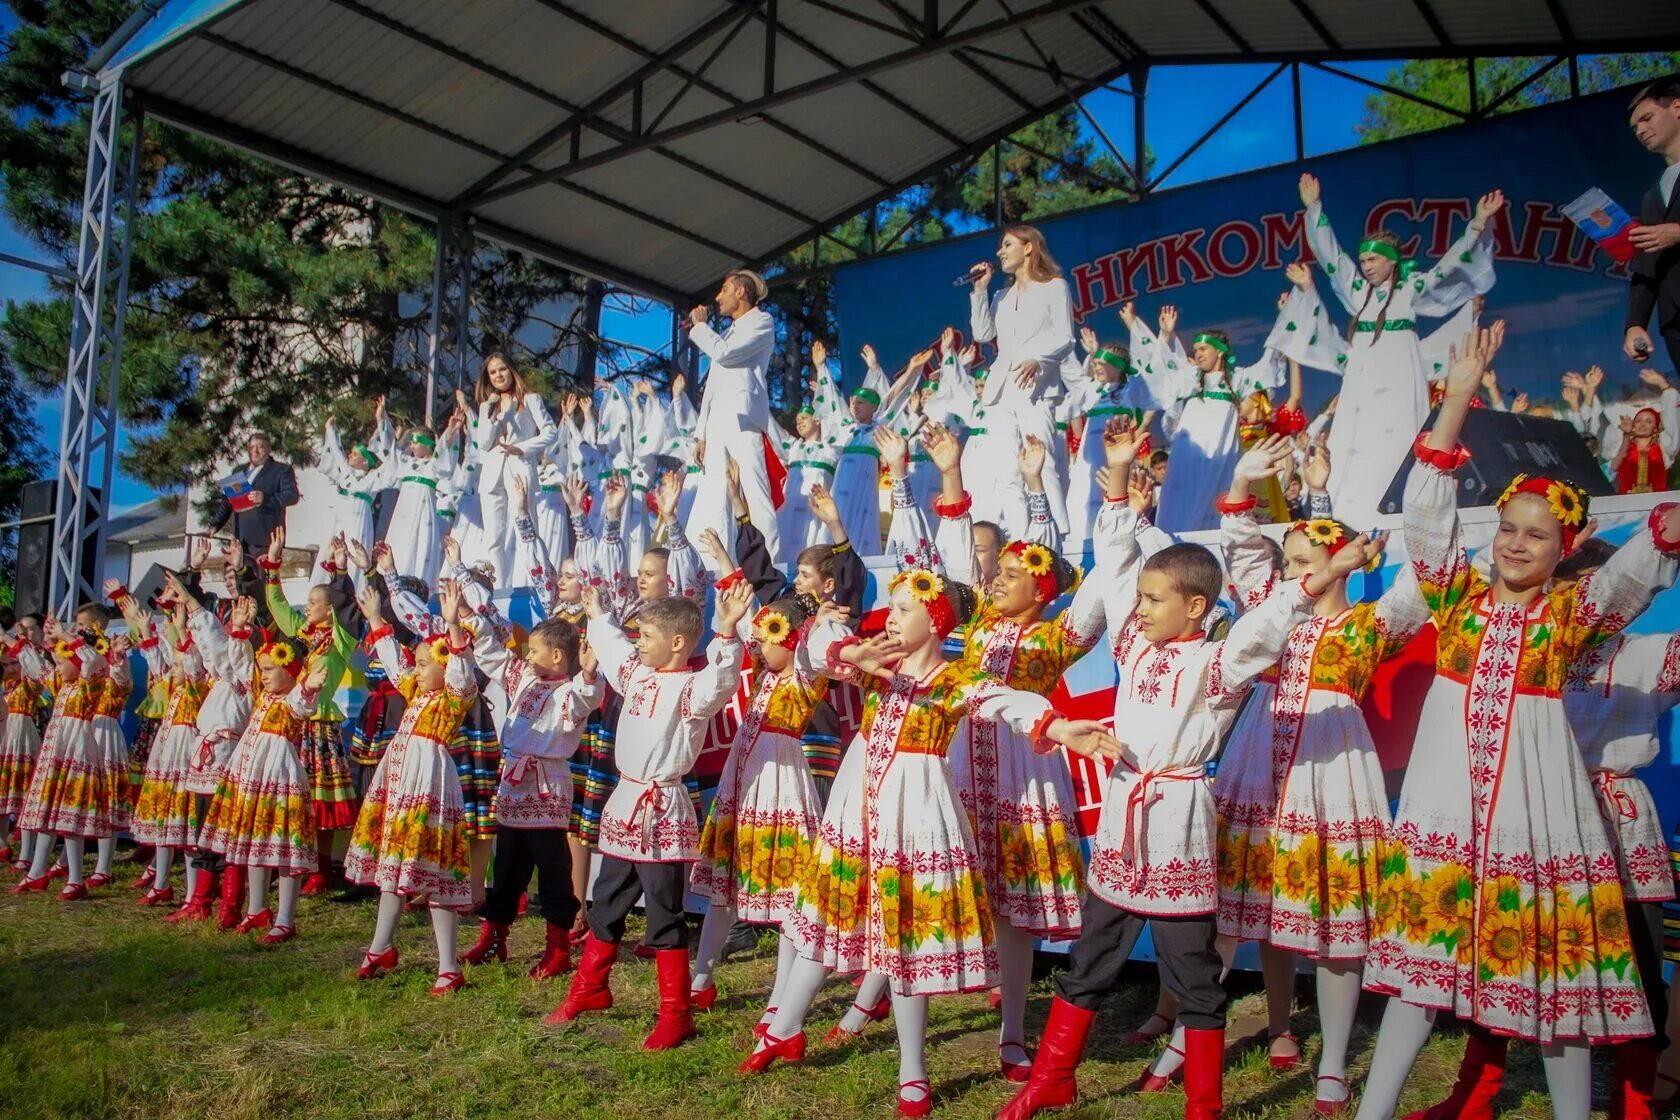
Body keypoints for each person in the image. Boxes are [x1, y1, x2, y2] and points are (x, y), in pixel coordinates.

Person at [1354, 326, 1680, 1120]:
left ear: (1563, 546)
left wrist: (1665, 530)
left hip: (1537, 826)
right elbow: (1427, 522)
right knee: (1418, 978)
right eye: (1508, 530)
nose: (1517, 546)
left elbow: (1632, 578)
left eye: (1537, 536)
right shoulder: (1458, 602)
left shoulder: (1569, 619)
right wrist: (1459, 398)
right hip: (1446, 819)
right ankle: (1371, 1113)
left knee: (1554, 989)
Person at [997, 464, 1374, 1120]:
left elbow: (1267, 624)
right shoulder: (1134, 646)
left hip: (1177, 826)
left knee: (1195, 977)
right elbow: (1113, 568)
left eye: (1153, 600)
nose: (1139, 609)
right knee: (1089, 959)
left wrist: (1321, 575)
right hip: (1123, 824)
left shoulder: (1218, 666)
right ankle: (1054, 1077)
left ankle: (1204, 1104)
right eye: (1141, 599)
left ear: (1195, 607)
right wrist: (1113, 484)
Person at [740, 581, 1118, 1117]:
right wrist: (849, 650)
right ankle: (784, 1027)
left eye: (903, 610)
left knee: (904, 938)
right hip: (858, 802)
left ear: (937, 622)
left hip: (913, 809)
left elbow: (1000, 699)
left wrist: (1054, 724)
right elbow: (817, 639)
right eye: (891, 609)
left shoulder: (953, 678)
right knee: (830, 912)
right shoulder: (878, 661)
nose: (891, 619)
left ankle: (912, 1072)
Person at [1211, 436, 1430, 1113]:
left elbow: (1426, 580)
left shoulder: (1371, 625)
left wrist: (1431, 482)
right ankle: (1276, 1026)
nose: (1289, 574)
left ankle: (1333, 1058)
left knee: (1331, 918)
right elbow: (1243, 544)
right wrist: (1248, 482)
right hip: (1257, 759)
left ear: (1338, 565)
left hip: (1332, 769)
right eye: (1291, 563)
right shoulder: (1273, 610)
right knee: (1265, 908)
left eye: (1304, 563)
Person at [547, 582, 752, 1050]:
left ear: (677, 642)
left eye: (648, 635)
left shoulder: (693, 690)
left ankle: (676, 1014)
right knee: (608, 897)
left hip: (660, 809)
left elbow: (722, 678)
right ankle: (590, 988)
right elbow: (614, 646)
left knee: (663, 911)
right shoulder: (638, 674)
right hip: (625, 805)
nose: (638, 641)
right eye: (638, 635)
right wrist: (598, 613)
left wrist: (725, 630)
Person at [1296, 174, 1501, 527]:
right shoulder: (1358, 292)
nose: (1366, 265)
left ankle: (1404, 514)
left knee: (1396, 440)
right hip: (1362, 384)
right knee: (1355, 442)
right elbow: (1332, 256)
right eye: (1364, 260)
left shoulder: (1410, 288)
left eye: (1374, 259)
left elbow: (1449, 267)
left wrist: (1478, 223)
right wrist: (1313, 207)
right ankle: (1347, 515)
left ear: (1392, 260)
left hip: (1397, 380)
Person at [346, 579, 479, 996]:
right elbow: (394, 663)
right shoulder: (415, 692)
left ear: (443, 664)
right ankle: (380, 945)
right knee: (394, 867)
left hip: (430, 785)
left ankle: (447, 965)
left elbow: (461, 671)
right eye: (418, 663)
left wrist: (454, 624)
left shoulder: (455, 697)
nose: (416, 669)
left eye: (424, 663)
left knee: (435, 874)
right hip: (400, 782)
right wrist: (373, 618)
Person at [197, 634, 325, 944]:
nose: (264, 675)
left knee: (283, 848)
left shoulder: (292, 698)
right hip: (251, 776)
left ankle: (285, 919)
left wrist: (308, 686)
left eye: (270, 669)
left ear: (291, 669)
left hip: (279, 777)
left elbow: (302, 703)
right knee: (256, 842)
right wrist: (240, 634)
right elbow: (240, 663)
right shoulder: (265, 696)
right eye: (262, 669)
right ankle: (256, 909)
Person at [260, 527, 359, 894]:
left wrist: (340, 573)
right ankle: (282, 859)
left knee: (320, 800)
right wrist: (273, 565)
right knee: (285, 795)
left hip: (319, 724)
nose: (307, 608)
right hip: (292, 722)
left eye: (314, 604)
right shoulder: (300, 634)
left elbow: (349, 612)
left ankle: (321, 867)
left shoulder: (340, 639)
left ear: (329, 609)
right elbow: (278, 607)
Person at [969, 225, 1076, 538]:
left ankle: (1057, 534)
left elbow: (1066, 338)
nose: (1000, 252)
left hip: (1035, 386)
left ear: (1028, 247)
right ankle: (1019, 535)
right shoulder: (1001, 295)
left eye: (1007, 245)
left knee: (1041, 461)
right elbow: (982, 334)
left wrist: (1039, 359)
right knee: (1007, 469)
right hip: (1001, 390)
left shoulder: (1055, 287)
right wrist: (979, 291)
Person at [687, 269, 783, 568]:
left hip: (743, 420)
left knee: (754, 493)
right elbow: (712, 388)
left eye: (724, 289)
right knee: (714, 492)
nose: (718, 297)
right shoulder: (727, 331)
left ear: (741, 292)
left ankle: (769, 566)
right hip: (718, 423)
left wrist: (701, 327)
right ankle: (709, 564)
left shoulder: (762, 322)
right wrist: (701, 432)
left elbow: (726, 354)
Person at [471, 352, 558, 579]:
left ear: (511, 370)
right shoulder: (487, 406)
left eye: (502, 369)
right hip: (492, 474)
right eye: (493, 372)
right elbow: (483, 442)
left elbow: (550, 431)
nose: (498, 375)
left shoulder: (530, 399)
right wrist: (490, 416)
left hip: (519, 467)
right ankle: (496, 586)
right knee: (493, 536)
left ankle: (535, 582)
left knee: (527, 529)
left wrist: (525, 447)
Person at [1625, 76, 1680, 372]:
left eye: (1647, 118)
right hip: (1675, 321)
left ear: (1677, 107)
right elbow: (1647, 264)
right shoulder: (1651, 197)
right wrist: (1635, 324)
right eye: (1635, 128)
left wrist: (1677, 233)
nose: (1641, 131)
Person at [206, 432, 301, 564]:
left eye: (260, 447)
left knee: (263, 580)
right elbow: (228, 502)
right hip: (240, 540)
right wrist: (215, 525)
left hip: (266, 540)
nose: (255, 451)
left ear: (268, 449)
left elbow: (292, 496)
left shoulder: (281, 470)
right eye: (251, 447)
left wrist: (265, 498)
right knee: (241, 580)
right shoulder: (239, 471)